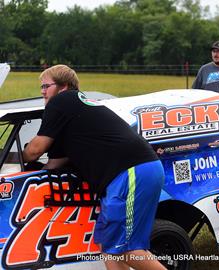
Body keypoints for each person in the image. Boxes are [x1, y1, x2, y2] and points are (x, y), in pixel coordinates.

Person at [22, 65, 166, 270]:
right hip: (129, 172)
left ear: (63, 87)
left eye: (46, 86)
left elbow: (35, 150)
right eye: (41, 87)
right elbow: (53, 164)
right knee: (109, 247)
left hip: (132, 170)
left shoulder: (62, 101)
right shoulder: (73, 113)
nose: (42, 91)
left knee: (126, 249)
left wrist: (19, 154)